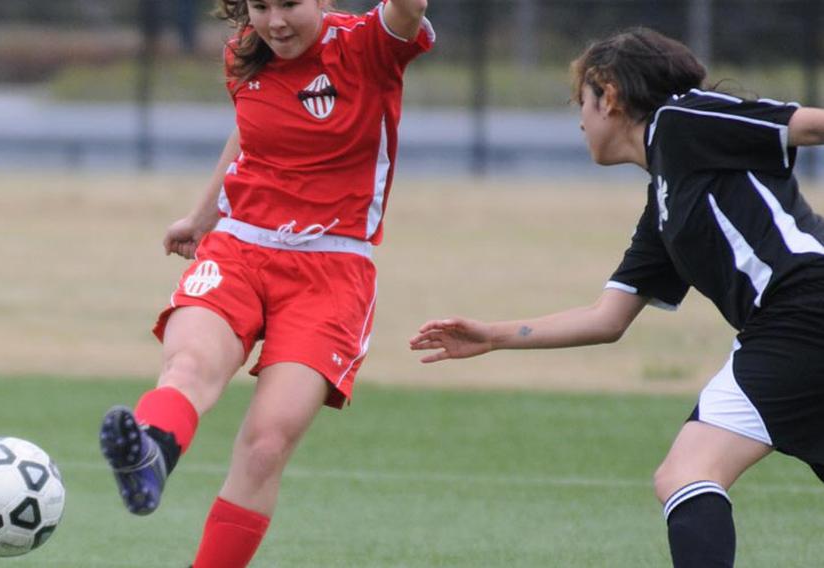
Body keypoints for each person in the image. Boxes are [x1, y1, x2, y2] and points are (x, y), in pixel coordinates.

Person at [410, 27, 824, 568]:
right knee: (688, 473)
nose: (579, 120)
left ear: (608, 94)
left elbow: (811, 125)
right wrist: (492, 336)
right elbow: (607, 318)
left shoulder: (681, 120)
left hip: (801, 310)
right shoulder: (665, 201)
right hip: (795, 323)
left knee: (687, 473)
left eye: (580, 101)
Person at [98, 1, 433, 566]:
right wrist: (202, 216)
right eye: (260, 6)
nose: (274, 22)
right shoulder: (245, 55)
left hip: (331, 271)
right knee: (187, 369)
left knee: (266, 445)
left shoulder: (370, 45)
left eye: (289, 5)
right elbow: (250, 132)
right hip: (240, 248)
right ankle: (150, 455)